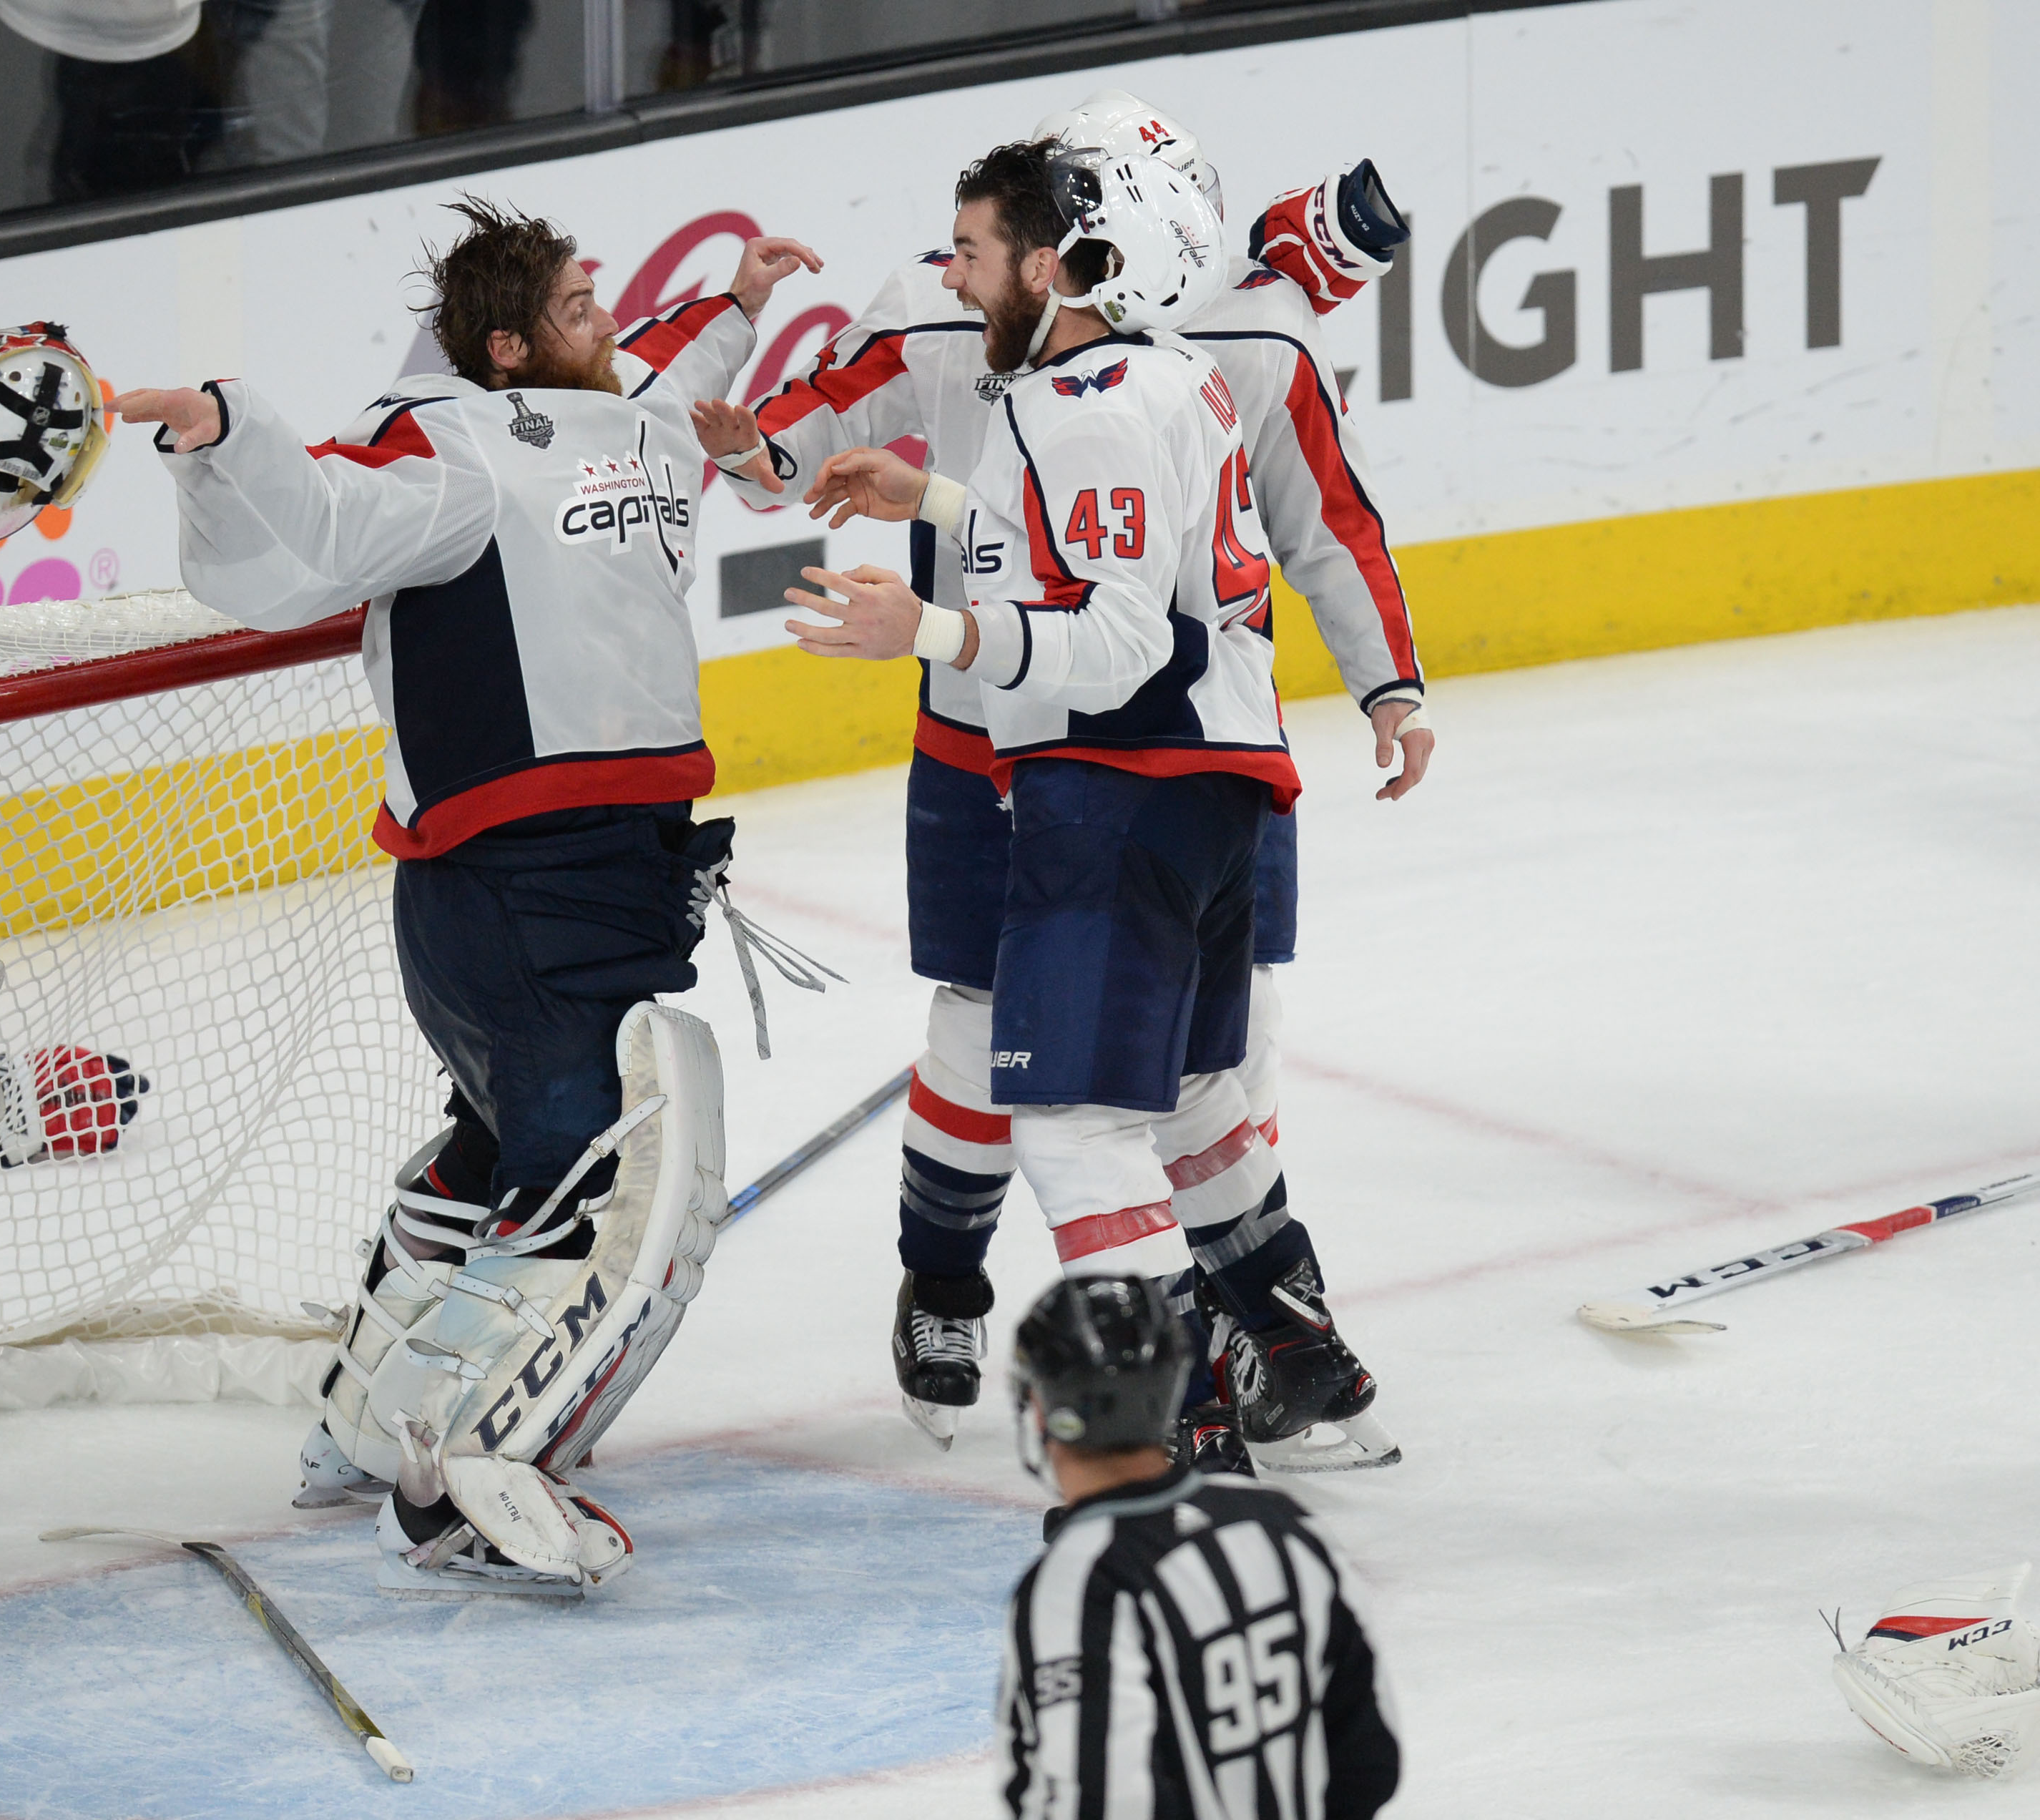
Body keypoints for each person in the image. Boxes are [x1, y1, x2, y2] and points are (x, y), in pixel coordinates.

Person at [697, 94, 1425, 1472]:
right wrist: (918, 500)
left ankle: (1180, 1421)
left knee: (1075, 1115)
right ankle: (1276, 1343)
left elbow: (1109, 626)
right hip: (1209, 765)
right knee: (1192, 1078)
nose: (964, 259)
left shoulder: (1098, 383)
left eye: (996, 236)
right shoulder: (1163, 371)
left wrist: (915, 624)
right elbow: (1096, 536)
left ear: (1066, 249)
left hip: (1102, 767)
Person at [116, 202, 819, 1593]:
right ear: (501, 348)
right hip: (510, 885)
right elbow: (312, 521)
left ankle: (360, 1435)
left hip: (605, 875)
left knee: (500, 1154)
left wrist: (737, 300)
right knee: (585, 1173)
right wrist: (220, 426)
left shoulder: (623, 422)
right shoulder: (444, 450)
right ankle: (448, 1484)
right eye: (573, 309)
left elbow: (673, 379)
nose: (604, 324)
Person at [1001, 1275, 1401, 1819]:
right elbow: (1370, 1757)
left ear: (1045, 1413)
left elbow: (1100, 1801)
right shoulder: (1281, 1526)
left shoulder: (1079, 1585)